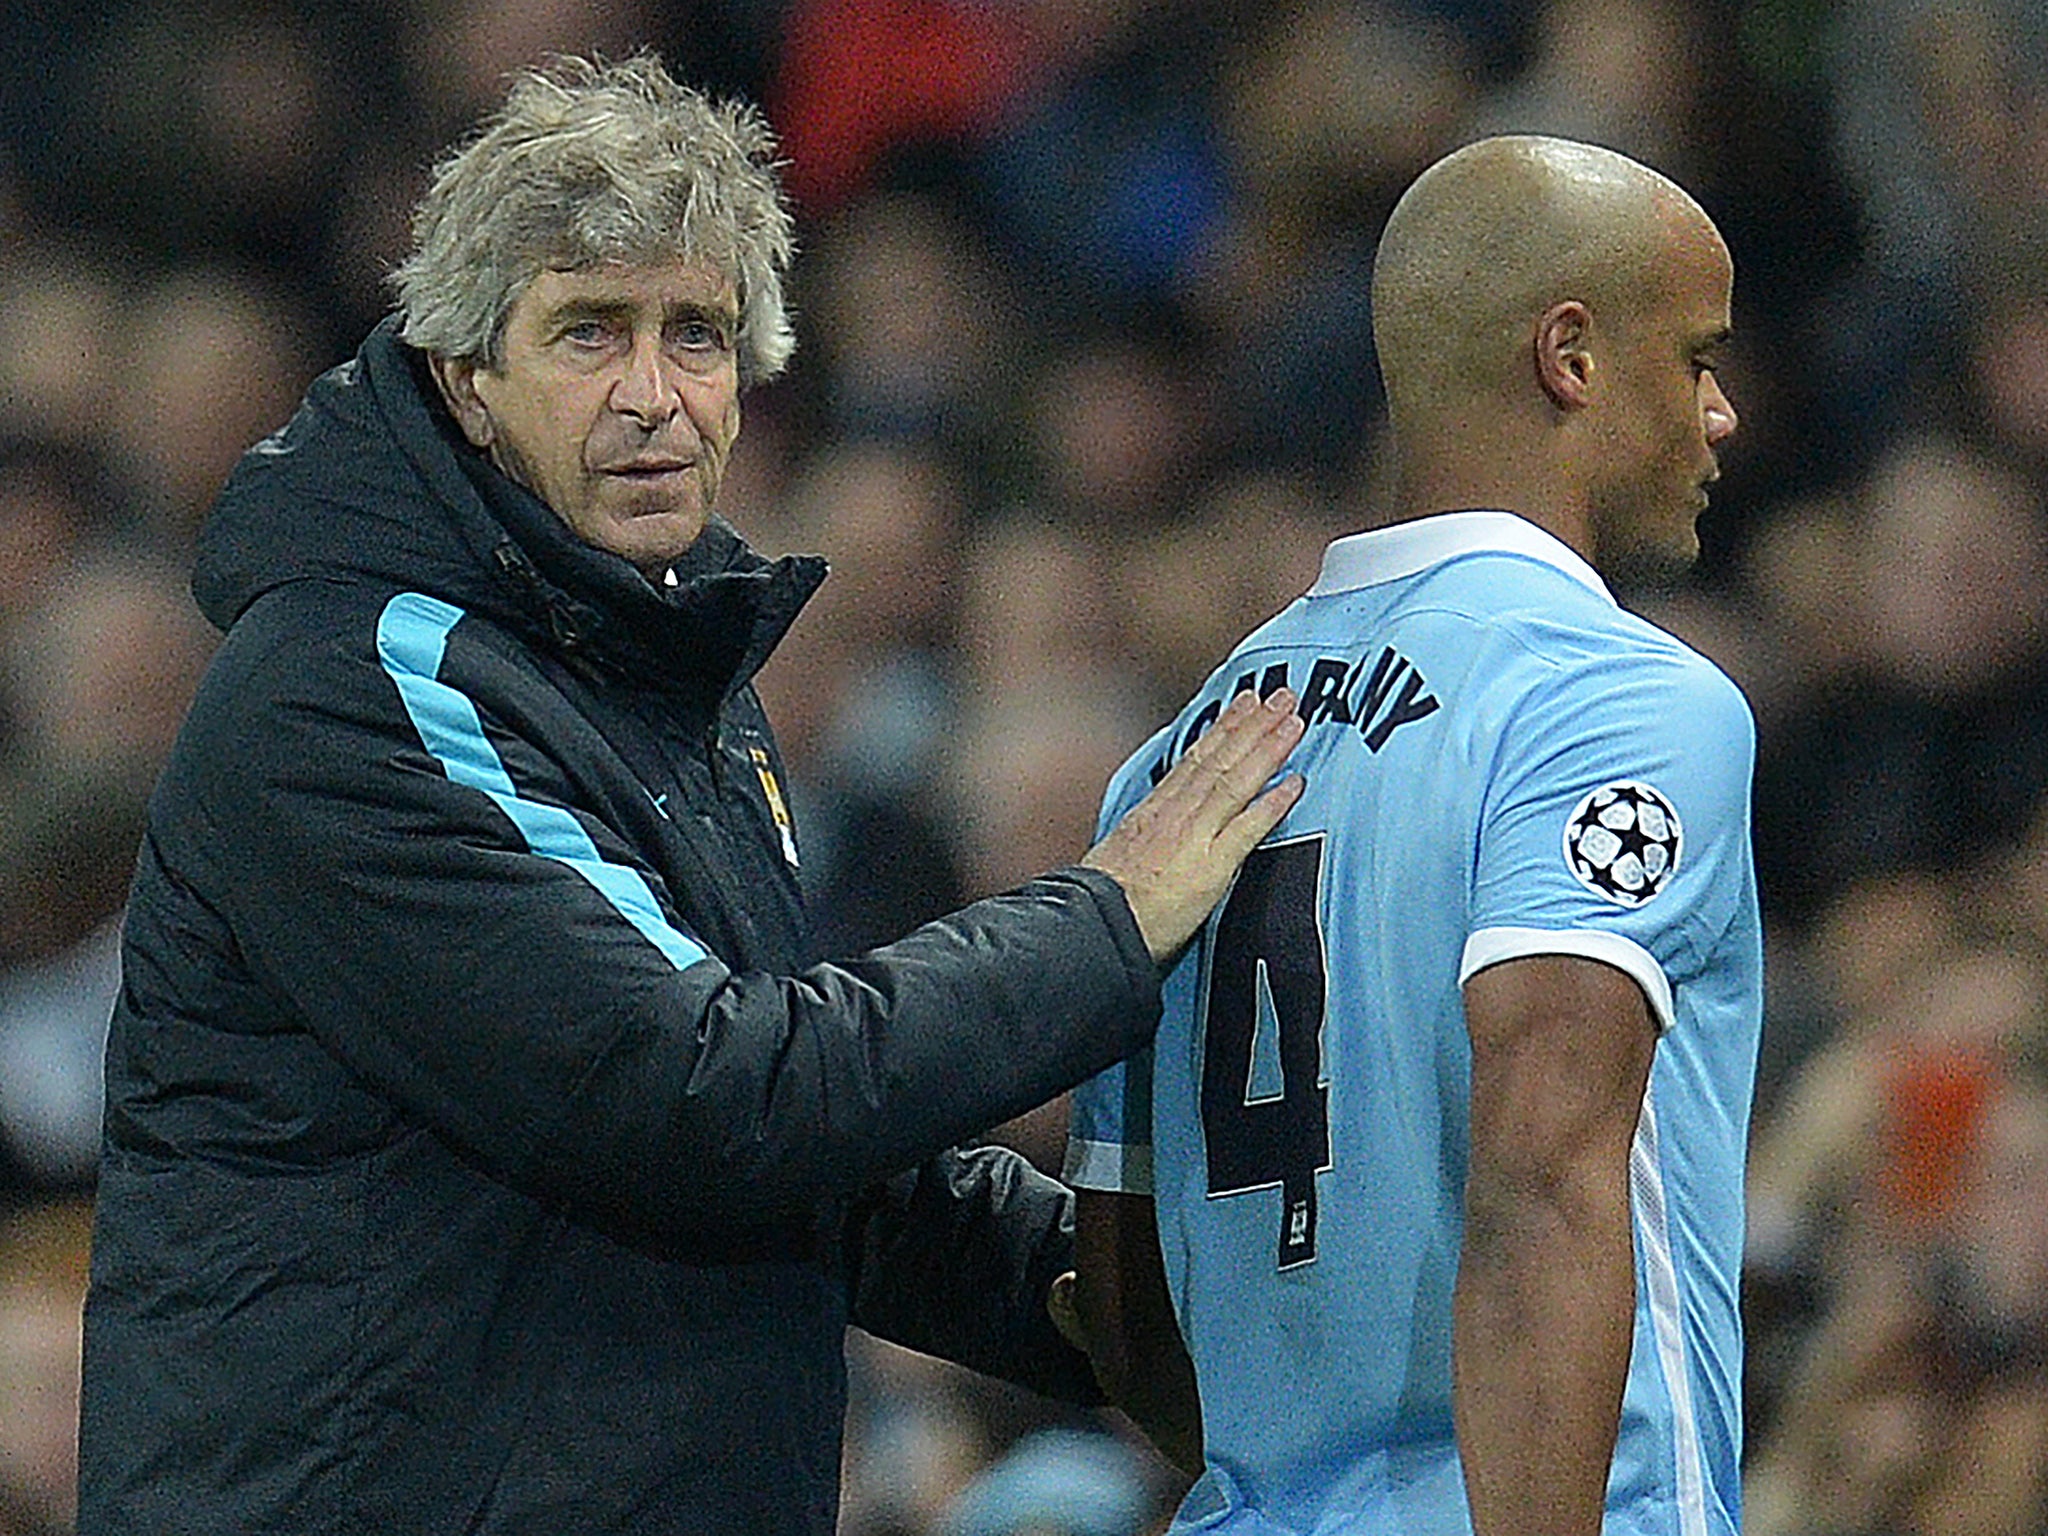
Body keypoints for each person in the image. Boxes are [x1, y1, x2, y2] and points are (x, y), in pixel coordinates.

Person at [75, 54, 1306, 1536]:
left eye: (699, 336)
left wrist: (1115, 1287)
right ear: (468, 379)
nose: (654, 395)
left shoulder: (655, 672)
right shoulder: (360, 682)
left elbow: (804, 1170)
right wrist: (1105, 922)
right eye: (590, 333)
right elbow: (701, 1095)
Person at [1058, 134, 1761, 1536]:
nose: (1723, 414)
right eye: (1695, 360)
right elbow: (1547, 1178)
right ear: (1572, 357)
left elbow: (1124, 1296)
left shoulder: (1179, 759)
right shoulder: (1613, 701)